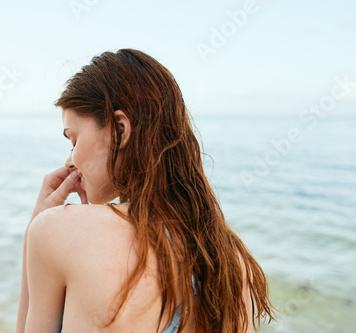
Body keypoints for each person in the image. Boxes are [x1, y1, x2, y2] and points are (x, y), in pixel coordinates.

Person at [16, 48, 275, 332]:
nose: (70, 160)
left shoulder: (58, 230)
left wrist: (35, 228)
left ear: (120, 129)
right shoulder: (231, 261)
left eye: (73, 140)